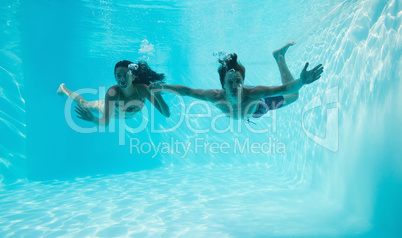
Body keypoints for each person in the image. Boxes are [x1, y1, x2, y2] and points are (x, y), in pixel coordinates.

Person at [149, 41, 323, 121]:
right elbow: (187, 91)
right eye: (230, 82)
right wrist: (163, 87)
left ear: (243, 80)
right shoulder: (215, 96)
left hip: (260, 107)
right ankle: (278, 56)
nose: (234, 86)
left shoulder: (255, 93)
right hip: (249, 112)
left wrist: (301, 81)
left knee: (294, 95)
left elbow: (286, 88)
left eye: (238, 81)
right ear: (222, 84)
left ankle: (279, 57)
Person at [57, 60, 170, 127]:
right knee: (84, 104)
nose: (122, 80)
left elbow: (166, 114)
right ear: (115, 77)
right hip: (105, 108)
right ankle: (63, 88)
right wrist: (93, 119)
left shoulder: (143, 90)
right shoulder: (113, 93)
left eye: (126, 75)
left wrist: (157, 94)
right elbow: (105, 123)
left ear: (133, 76)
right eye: (118, 76)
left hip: (124, 116)